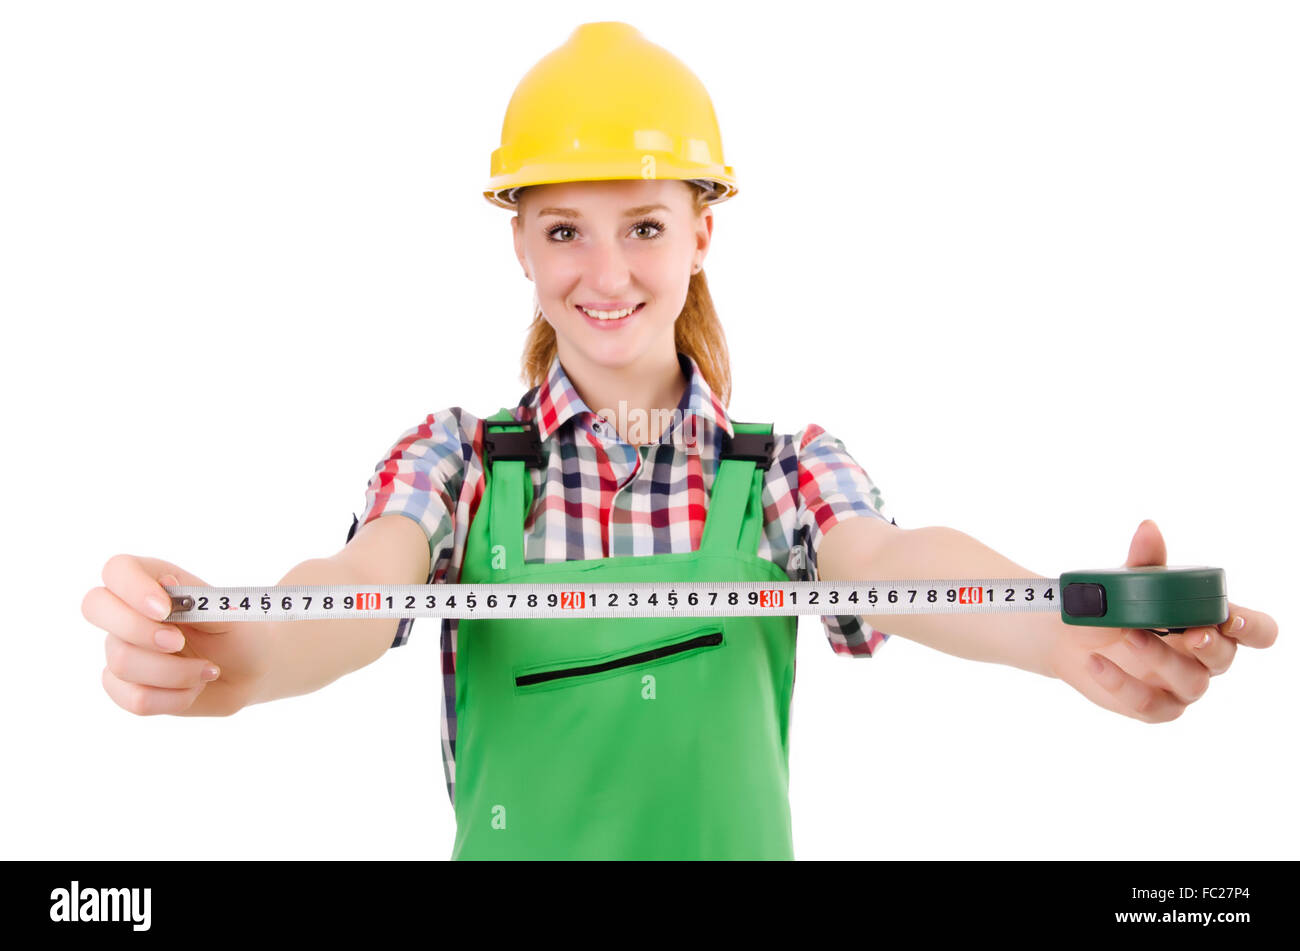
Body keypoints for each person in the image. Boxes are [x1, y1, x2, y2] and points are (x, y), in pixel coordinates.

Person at [82, 21, 1277, 860]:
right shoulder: (453, 459)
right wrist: (223, 654)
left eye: (644, 226)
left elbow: (888, 564)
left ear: (703, 233)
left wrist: (1061, 627)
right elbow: (348, 592)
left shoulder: (785, 469)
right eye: (563, 232)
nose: (605, 275)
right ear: (518, 245)